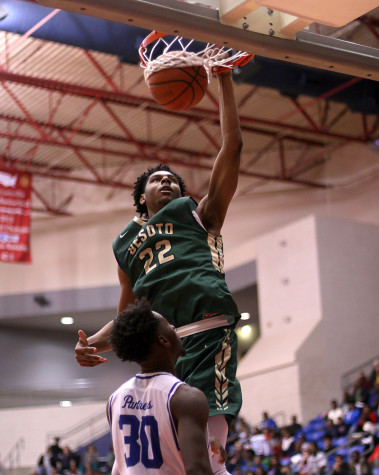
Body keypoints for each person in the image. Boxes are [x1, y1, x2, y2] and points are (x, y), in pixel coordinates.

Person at [75, 65, 243, 471]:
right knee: (171, 460)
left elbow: (232, 145)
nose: (167, 182)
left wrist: (221, 77)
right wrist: (90, 343)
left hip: (206, 335)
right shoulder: (125, 246)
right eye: (157, 180)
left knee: (208, 455)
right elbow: (128, 319)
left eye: (173, 180)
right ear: (142, 197)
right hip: (162, 352)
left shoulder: (196, 216)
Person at [107, 298, 224, 475]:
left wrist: (205, 441)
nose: (175, 328)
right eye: (169, 325)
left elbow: (123, 466)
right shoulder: (187, 398)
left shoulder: (115, 399)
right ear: (164, 340)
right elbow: (197, 470)